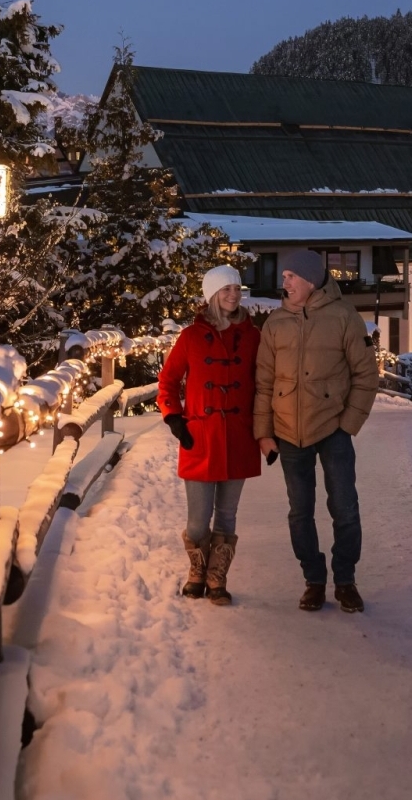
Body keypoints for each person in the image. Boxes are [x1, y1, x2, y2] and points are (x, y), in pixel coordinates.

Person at [254, 249, 379, 613]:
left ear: (311, 280)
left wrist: (348, 424)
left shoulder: (344, 317)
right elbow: (263, 383)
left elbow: (366, 375)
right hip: (289, 432)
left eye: (292, 276)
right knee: (299, 512)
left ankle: (345, 581)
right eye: (285, 276)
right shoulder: (275, 324)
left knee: (345, 508)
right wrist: (265, 433)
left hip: (333, 429)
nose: (285, 282)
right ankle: (313, 580)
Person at [156, 265, 264, 605]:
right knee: (198, 520)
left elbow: (265, 384)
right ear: (211, 295)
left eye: (236, 288)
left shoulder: (252, 336)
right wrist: (175, 419)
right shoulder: (190, 337)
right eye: (225, 289)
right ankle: (196, 571)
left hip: (238, 436)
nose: (233, 295)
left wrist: (265, 428)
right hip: (199, 438)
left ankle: (216, 578)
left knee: (227, 515)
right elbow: (168, 381)